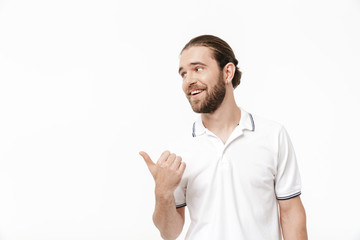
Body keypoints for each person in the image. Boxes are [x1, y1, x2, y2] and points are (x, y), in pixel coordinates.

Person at [139, 35, 308, 240]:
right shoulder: (179, 149)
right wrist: (162, 192)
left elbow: (291, 214)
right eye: (183, 74)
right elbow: (170, 232)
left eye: (197, 68)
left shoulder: (273, 135)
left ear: (227, 72)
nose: (188, 80)